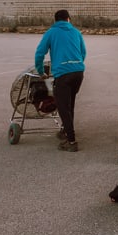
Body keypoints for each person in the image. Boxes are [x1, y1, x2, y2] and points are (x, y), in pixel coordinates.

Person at [34, 9, 86, 152]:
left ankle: (71, 141)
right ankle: (65, 131)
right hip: (78, 72)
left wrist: (40, 71)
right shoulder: (76, 32)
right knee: (70, 104)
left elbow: (39, 53)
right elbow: (83, 52)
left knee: (63, 107)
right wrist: (76, 64)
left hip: (63, 74)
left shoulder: (51, 32)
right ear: (68, 19)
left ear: (55, 21)